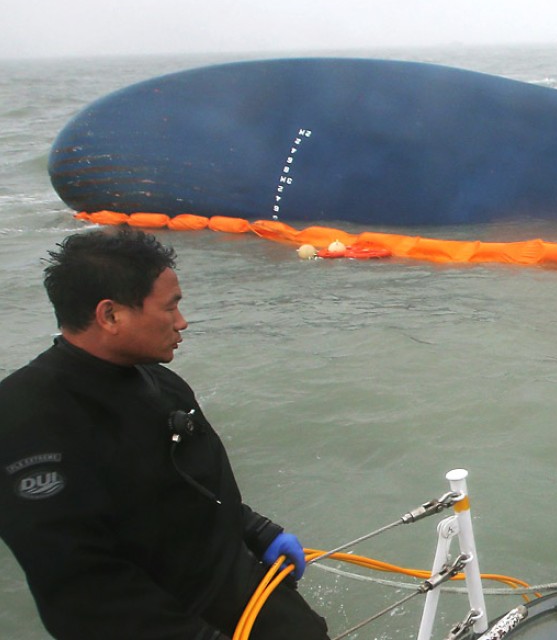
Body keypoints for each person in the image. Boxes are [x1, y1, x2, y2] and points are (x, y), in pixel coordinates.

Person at [0, 229, 329, 640]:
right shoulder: (25, 420)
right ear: (111, 315)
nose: (181, 322)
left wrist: (259, 532)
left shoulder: (161, 383)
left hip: (246, 598)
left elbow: (196, 491)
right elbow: (82, 586)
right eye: (170, 308)